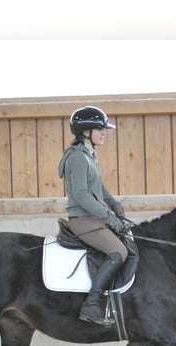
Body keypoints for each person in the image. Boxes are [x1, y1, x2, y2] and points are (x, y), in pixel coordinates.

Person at [58, 106, 128, 326]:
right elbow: (81, 195)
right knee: (119, 251)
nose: (104, 133)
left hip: (94, 217)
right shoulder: (78, 158)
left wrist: (113, 203)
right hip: (83, 220)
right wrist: (108, 216)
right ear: (86, 132)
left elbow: (98, 186)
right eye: (100, 129)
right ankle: (91, 304)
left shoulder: (90, 154)